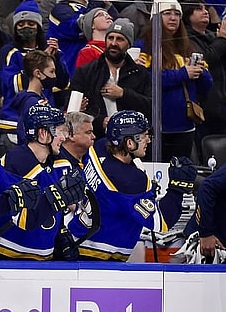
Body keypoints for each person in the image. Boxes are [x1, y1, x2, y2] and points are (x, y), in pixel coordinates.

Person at [67, 110, 196, 260]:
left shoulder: (99, 148)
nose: (148, 140)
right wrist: (176, 189)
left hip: (75, 238)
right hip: (100, 256)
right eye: (143, 136)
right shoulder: (131, 181)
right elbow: (161, 222)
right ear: (129, 142)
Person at [0, 104, 86, 260]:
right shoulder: (16, 161)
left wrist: (60, 232)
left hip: (44, 257)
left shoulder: (62, 162)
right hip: (8, 254)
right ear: (43, 133)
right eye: (59, 131)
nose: (63, 137)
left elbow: (60, 207)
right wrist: (56, 199)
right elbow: (24, 220)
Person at [139, 0, 212, 161]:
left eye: (177, 14)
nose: (173, 18)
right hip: (157, 127)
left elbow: (207, 86)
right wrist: (183, 73)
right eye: (167, 13)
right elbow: (145, 81)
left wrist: (200, 73)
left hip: (185, 126)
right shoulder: (145, 45)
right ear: (156, 16)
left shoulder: (189, 46)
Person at [0, 0, 68, 148]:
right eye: (21, 25)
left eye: (31, 23)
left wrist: (54, 59)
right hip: (13, 122)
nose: (26, 27)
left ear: (39, 26)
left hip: (44, 123)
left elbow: (62, 83)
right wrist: (41, 61)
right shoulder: (9, 52)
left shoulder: (51, 50)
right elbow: (13, 84)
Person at [70, 18, 151, 139]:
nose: (113, 43)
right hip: (96, 138)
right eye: (110, 38)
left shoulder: (140, 73)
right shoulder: (86, 72)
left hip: (132, 139)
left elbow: (150, 107)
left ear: (129, 44)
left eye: (120, 39)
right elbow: (72, 109)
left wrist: (124, 94)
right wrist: (100, 121)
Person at [182, 0, 226, 161]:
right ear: (187, 15)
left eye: (205, 8)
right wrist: (221, 40)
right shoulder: (185, 38)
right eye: (198, 9)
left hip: (221, 105)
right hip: (203, 108)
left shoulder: (211, 37)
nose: (205, 11)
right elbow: (205, 60)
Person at [47, 0, 117, 76]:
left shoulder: (92, 5)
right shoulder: (60, 10)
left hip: (100, 73)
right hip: (70, 78)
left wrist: (107, 4)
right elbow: (81, 26)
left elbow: (120, 30)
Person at [0, 50, 56, 146]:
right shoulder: (32, 103)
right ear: (38, 73)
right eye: (52, 71)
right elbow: (25, 136)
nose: (54, 76)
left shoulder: (39, 98)